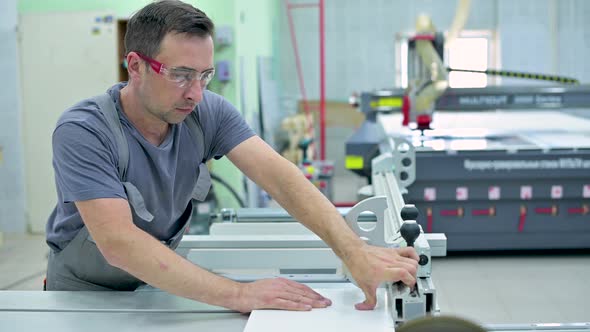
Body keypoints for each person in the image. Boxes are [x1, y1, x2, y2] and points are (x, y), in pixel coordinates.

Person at [45, 0, 418, 313]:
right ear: (136, 65)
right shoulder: (85, 130)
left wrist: (352, 250)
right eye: (181, 75)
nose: (195, 93)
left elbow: (279, 177)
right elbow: (119, 243)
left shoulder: (206, 113)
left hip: (154, 284)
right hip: (83, 295)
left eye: (204, 75)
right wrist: (240, 293)